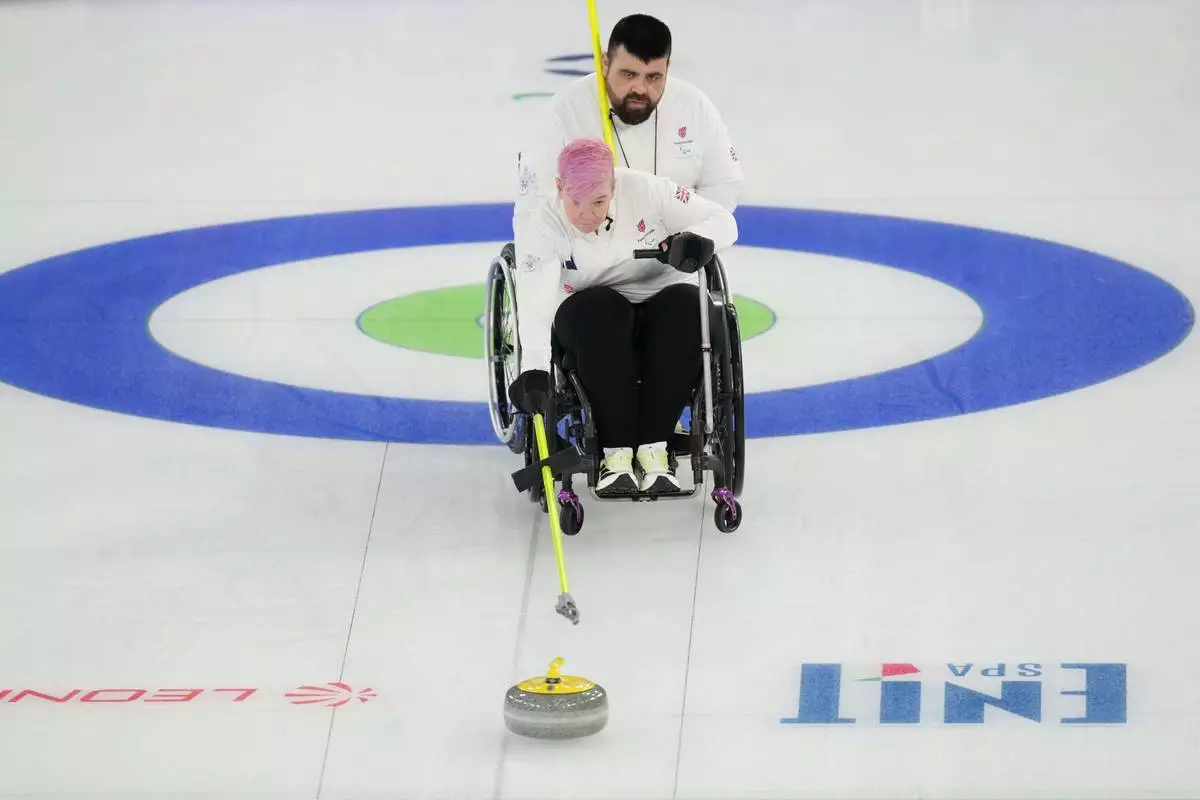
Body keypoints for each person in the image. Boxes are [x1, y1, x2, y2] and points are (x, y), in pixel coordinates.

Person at [509, 137, 737, 497]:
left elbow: (722, 220)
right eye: (576, 203)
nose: (587, 214)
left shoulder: (648, 190)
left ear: (614, 186)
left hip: (659, 293)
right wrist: (533, 370)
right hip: (587, 308)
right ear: (558, 188)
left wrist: (696, 239)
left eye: (599, 201)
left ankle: (654, 451)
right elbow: (534, 301)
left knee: (690, 307)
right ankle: (615, 456)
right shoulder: (542, 225)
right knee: (601, 310)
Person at [513, 12, 743, 238]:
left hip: (672, 261)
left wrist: (694, 235)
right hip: (589, 265)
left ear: (667, 69)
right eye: (628, 74)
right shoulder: (564, 112)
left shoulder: (694, 107)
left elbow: (723, 185)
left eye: (653, 77)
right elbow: (534, 203)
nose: (640, 89)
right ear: (605, 63)